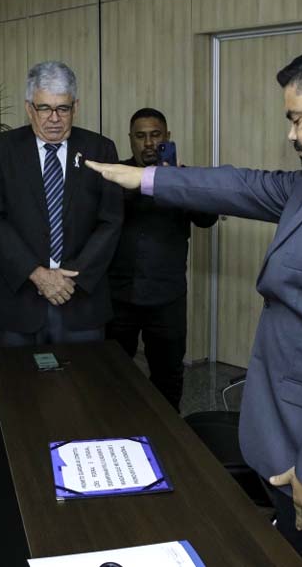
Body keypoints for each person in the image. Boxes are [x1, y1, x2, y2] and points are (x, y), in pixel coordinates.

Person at [87, 39, 302, 566]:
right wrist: (146, 177)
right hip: (293, 443)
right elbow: (244, 186)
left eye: (297, 117)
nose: (290, 132)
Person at [0, 61, 122, 345]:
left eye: (63, 108)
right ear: (30, 108)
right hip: (18, 300)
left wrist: (70, 277)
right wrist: (37, 273)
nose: (54, 118)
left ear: (75, 107)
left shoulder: (100, 149)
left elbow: (111, 221)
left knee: (84, 387)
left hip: (80, 300)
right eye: (44, 108)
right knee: (17, 387)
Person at [106, 108, 216, 412]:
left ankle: (168, 436)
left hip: (166, 298)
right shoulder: (116, 175)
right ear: (130, 141)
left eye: (155, 135)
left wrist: (179, 180)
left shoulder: (183, 176)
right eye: (140, 136)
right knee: (111, 373)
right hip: (119, 295)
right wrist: (138, 182)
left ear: (166, 138)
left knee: (168, 377)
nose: (149, 143)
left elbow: (208, 219)